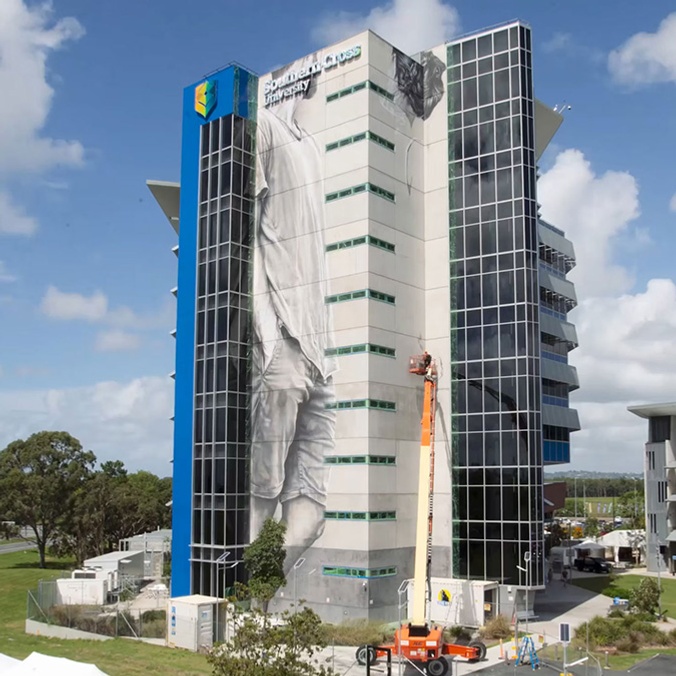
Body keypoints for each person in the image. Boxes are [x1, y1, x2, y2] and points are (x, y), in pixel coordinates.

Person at [250, 55, 337, 574]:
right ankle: (231, 598)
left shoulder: (313, 147)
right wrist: (267, 329)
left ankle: (254, 597)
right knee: (261, 494)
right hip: (282, 339)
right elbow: (244, 233)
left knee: (311, 518)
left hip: (320, 356)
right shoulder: (262, 127)